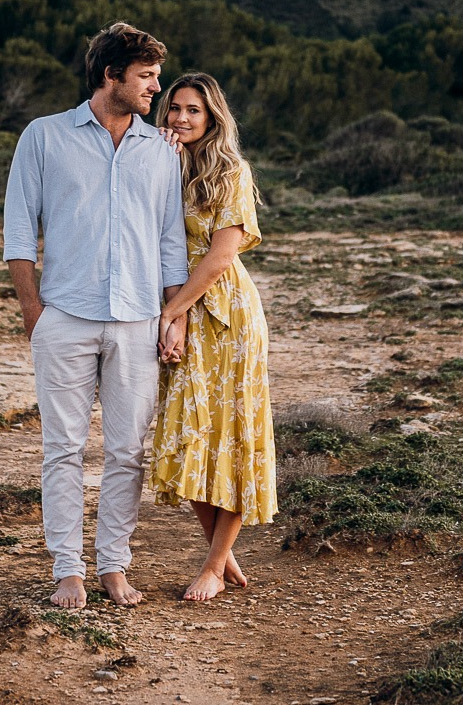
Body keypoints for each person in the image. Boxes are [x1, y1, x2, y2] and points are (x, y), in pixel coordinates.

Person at [3, 22, 189, 610]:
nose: (155, 89)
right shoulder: (43, 137)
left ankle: (113, 564)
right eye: (146, 77)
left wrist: (174, 315)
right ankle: (67, 569)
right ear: (112, 76)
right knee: (62, 448)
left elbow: (170, 242)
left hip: (137, 322)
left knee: (127, 452)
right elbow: (17, 232)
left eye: (157, 77)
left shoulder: (161, 151)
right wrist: (34, 312)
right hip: (64, 318)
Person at [150, 72, 277, 601]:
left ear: (212, 117)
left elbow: (221, 255)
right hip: (182, 311)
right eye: (173, 107)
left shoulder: (231, 170)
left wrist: (171, 313)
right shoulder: (160, 165)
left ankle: (211, 566)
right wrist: (174, 315)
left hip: (228, 318)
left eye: (193, 110)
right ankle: (221, 554)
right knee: (187, 435)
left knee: (234, 435)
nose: (180, 117)